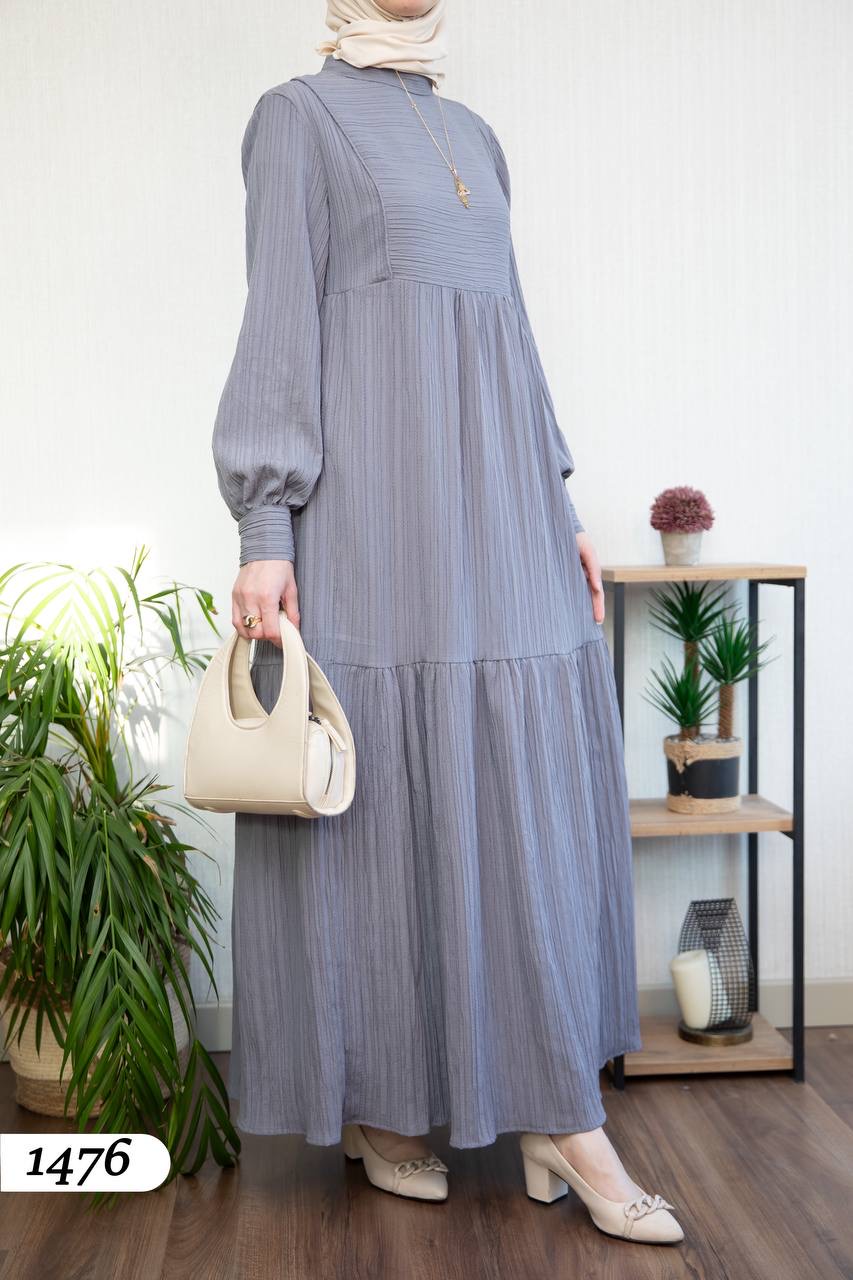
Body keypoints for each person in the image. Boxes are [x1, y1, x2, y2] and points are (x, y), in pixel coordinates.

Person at [211, 0, 683, 1245]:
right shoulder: (296, 121)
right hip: (375, 520)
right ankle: (384, 1108)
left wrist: (557, 497)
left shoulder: (473, 133)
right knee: (373, 808)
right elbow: (277, 323)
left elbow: (510, 336)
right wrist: (265, 527)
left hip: (502, 510)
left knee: (516, 788)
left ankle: (557, 1109)